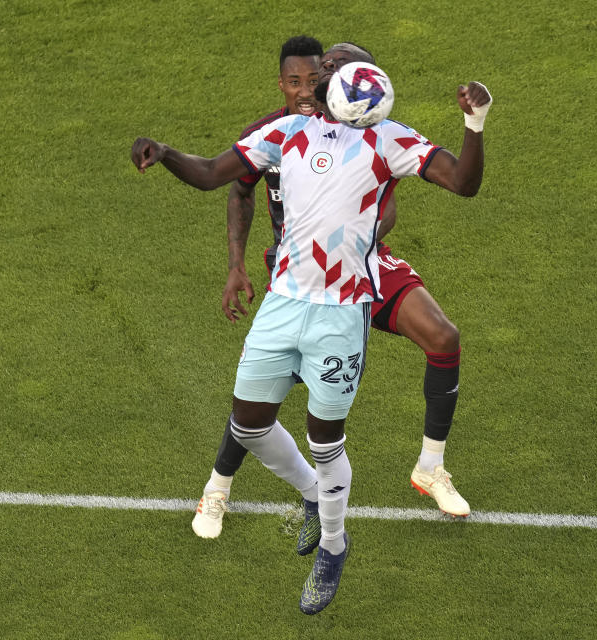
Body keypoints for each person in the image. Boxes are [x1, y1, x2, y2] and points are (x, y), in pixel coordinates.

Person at [131, 42, 491, 615]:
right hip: (282, 303)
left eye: (335, 66)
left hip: (341, 313)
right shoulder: (283, 132)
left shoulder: (389, 138)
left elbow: (464, 183)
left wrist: (474, 123)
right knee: (248, 423)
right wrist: (166, 152)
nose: (324, 73)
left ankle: (333, 545)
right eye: (325, 66)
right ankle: (307, 495)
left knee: (326, 438)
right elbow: (210, 176)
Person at [193, 40, 473, 544]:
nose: (308, 88)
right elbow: (233, 187)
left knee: (443, 337)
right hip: (296, 278)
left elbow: (386, 208)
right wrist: (236, 264)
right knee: (259, 399)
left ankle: (431, 467)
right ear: (285, 83)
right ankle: (218, 486)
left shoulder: (371, 129)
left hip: (361, 265)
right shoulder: (275, 132)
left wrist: (356, 233)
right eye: (299, 80)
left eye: (321, 75)